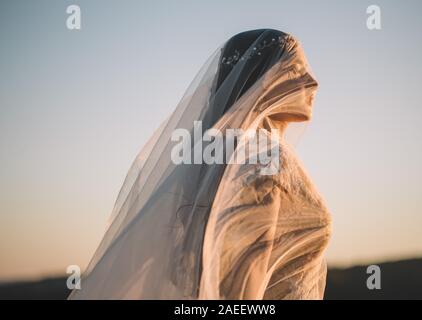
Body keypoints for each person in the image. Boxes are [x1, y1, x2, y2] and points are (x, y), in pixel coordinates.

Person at [69, 29, 331, 300]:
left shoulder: (211, 154)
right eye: (296, 68)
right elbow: (244, 278)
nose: (312, 81)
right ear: (266, 76)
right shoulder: (262, 155)